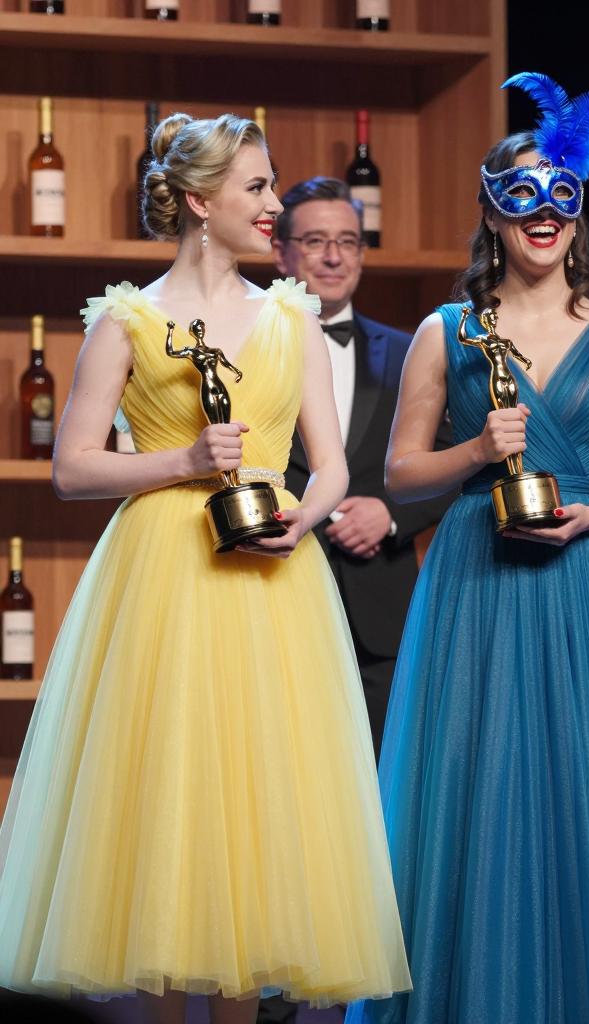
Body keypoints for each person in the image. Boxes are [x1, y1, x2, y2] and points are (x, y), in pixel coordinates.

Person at [0, 113, 410, 1023]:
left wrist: (304, 518)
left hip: (272, 582)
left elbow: (330, 465)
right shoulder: (126, 320)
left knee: (256, 819)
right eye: (257, 187)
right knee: (169, 811)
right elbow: (72, 469)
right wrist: (181, 462)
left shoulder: (291, 316)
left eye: (271, 186)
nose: (274, 205)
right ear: (197, 200)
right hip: (165, 577)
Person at [347, 73, 589, 1024]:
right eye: (522, 196)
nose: (543, 213)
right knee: (476, 795)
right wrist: (472, 452)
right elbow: (401, 473)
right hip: (479, 579)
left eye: (560, 194)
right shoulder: (446, 331)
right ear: (493, 215)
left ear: (577, 215)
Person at [273, 177, 453, 757]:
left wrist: (392, 514)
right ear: (280, 252)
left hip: (381, 608)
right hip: (277, 589)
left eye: (347, 241)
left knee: (379, 781)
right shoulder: (246, 348)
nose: (333, 256)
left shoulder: (409, 350)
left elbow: (455, 460)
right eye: (315, 241)